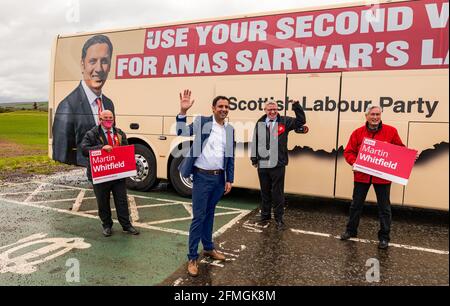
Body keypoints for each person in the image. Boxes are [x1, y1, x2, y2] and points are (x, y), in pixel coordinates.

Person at [176, 90, 235, 277]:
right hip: (202, 177)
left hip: (219, 179)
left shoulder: (229, 130)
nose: (224, 109)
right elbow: (181, 132)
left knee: (210, 214)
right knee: (198, 217)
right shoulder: (203, 122)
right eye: (220, 106)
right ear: (213, 108)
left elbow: (230, 157)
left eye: (226, 107)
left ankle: (208, 248)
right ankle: (192, 257)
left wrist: (229, 179)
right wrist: (182, 112)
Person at [340, 105, 405, 249]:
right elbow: (348, 152)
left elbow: (400, 149)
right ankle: (350, 231)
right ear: (366, 116)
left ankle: (384, 237)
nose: (375, 117)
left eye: (378, 114)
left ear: (381, 115)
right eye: (372, 114)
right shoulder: (357, 133)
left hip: (382, 178)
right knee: (355, 206)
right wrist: (354, 161)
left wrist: (410, 155)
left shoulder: (391, 131)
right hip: (361, 176)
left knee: (384, 208)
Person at [53, 34, 115, 167]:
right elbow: (61, 155)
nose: (98, 69)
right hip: (88, 171)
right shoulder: (67, 106)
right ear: (82, 65)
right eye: (92, 61)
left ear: (110, 65)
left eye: (104, 61)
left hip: (106, 169)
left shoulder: (109, 104)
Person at [81, 110, 139, 237]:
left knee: (122, 200)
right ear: (100, 120)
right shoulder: (92, 134)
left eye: (110, 118)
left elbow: (126, 149)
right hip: (100, 175)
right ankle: (107, 225)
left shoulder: (119, 133)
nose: (108, 120)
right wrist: (100, 148)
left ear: (114, 119)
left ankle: (126, 225)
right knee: (103, 201)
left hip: (117, 174)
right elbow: (84, 149)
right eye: (105, 118)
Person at [250, 100, 306, 230]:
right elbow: (255, 141)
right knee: (265, 192)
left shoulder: (285, 121)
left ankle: (279, 219)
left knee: (278, 193)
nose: (273, 112)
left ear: (277, 109)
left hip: (278, 163)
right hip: (263, 163)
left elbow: (301, 121)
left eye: (275, 109)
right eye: (270, 110)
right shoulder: (260, 123)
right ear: (265, 110)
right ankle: (265, 216)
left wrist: (296, 106)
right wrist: (254, 159)